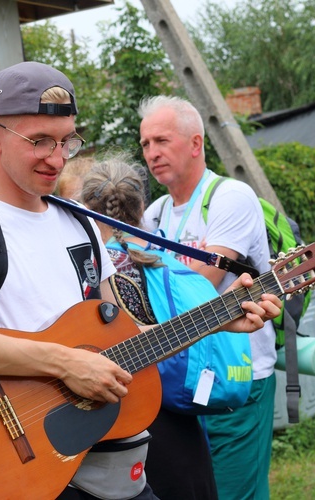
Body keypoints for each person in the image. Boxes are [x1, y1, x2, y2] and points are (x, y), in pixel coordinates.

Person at [0, 61, 279, 499]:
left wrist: (216, 318)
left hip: (113, 465)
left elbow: (123, 341)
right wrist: (65, 363)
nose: (58, 157)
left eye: (67, 141)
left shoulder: (82, 227)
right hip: (31, 464)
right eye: (39, 141)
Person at [139, 95, 277, 500]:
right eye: (146, 144)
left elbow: (198, 287)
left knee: (237, 492)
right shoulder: (156, 213)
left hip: (237, 374)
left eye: (162, 140)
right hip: (183, 377)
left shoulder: (229, 197)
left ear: (196, 144)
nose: (152, 153)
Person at [80, 154, 218, 500]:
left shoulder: (90, 267)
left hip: (127, 417)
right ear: (142, 205)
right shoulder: (163, 258)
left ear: (84, 207)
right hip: (179, 412)